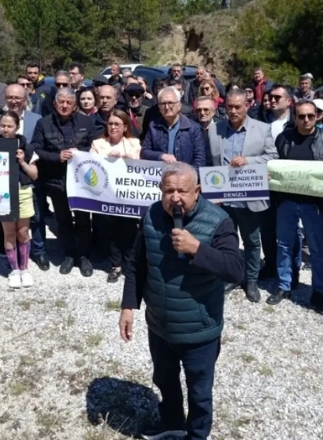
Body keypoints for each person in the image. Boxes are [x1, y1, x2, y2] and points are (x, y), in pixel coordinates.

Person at [119, 161, 243, 440]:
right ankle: (172, 423)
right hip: (160, 325)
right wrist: (128, 305)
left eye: (182, 191)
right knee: (164, 379)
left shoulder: (218, 221)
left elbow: (236, 269)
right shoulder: (150, 216)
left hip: (198, 330)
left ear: (197, 191)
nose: (175, 197)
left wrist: (197, 248)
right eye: (169, 190)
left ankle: (197, 435)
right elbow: (137, 264)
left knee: (199, 392)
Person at [268, 100, 323, 310]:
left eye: (310, 115)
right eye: (301, 116)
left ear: (317, 116)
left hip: (314, 204)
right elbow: (275, 161)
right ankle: (284, 285)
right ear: (295, 117)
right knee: (284, 245)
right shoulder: (284, 138)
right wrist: (270, 173)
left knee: (317, 250)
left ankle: (318, 292)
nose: (306, 120)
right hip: (287, 201)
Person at [207, 90, 274, 302]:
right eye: (229, 107)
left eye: (238, 107)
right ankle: (233, 275)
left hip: (249, 195)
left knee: (252, 241)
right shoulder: (214, 129)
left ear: (247, 106)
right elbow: (211, 161)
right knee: (228, 240)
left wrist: (248, 161)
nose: (233, 111)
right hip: (223, 197)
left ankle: (251, 279)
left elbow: (272, 157)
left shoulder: (262, 129)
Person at [30, 87, 96, 276]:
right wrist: (56, 156)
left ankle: (84, 256)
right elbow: (36, 149)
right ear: (55, 103)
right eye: (62, 102)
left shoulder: (87, 121)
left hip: (82, 183)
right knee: (63, 220)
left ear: (75, 105)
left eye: (69, 102)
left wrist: (82, 155)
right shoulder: (44, 123)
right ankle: (69, 255)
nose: (65, 106)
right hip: (56, 180)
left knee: (83, 220)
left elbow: (95, 147)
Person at [0, 84, 48, 271]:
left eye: (17, 98)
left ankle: (38, 252)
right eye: (10, 97)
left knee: (34, 219)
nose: (13, 101)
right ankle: (11, 261)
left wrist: (25, 162)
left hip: (27, 181)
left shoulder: (36, 119)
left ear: (25, 99)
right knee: (8, 228)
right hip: (2, 183)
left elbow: (39, 146)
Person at [91, 110, 141, 283]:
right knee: (110, 232)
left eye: (117, 124)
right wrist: (106, 158)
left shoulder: (134, 143)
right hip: (106, 196)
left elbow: (142, 166)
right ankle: (115, 265)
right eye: (110, 123)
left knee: (129, 230)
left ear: (125, 127)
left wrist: (131, 159)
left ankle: (130, 265)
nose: (113, 127)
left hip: (127, 196)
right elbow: (90, 165)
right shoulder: (98, 144)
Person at [0, 111, 39, 288]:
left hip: (23, 192)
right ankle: (14, 270)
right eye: (2, 125)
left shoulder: (26, 146)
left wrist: (22, 162)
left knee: (23, 232)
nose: (5, 129)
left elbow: (34, 175)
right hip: (1, 194)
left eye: (9, 126)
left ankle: (25, 268)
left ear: (17, 127)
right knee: (9, 233)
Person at [141, 86, 206, 168]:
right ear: (158, 107)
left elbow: (200, 160)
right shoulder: (153, 126)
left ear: (179, 105)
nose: (167, 107)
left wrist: (186, 175)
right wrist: (161, 156)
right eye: (163, 104)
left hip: (184, 177)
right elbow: (144, 152)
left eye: (170, 103)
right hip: (160, 176)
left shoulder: (193, 128)